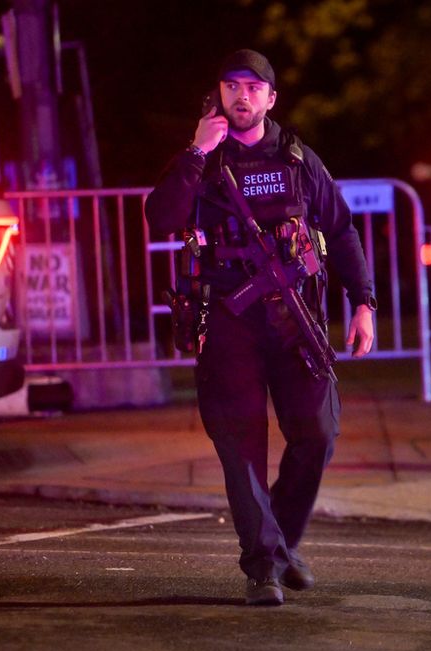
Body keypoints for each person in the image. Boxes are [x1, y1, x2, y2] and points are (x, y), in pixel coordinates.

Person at [145, 49, 376, 606]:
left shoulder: (297, 159)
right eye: (232, 86)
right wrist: (195, 152)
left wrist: (363, 302)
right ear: (219, 95)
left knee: (317, 433)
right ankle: (263, 567)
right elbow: (161, 218)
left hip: (295, 319)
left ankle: (280, 543)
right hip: (228, 322)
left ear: (271, 98)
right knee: (240, 445)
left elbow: (341, 230)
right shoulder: (201, 158)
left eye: (253, 87)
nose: (241, 95)